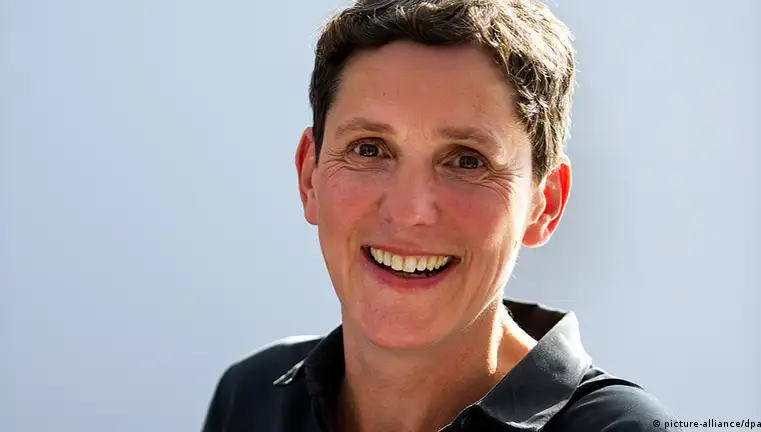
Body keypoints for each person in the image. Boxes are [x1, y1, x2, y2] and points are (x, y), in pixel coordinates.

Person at [201, 0, 681, 430]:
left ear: (545, 204)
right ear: (309, 176)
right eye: (369, 149)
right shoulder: (251, 399)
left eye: (467, 161)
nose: (409, 211)